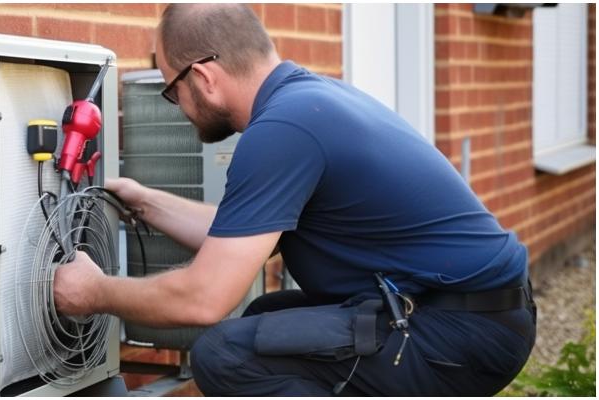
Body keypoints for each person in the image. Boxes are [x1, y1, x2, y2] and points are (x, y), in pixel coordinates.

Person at [53, 3, 535, 396]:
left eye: (171, 91)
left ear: (203, 77)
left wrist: (92, 292)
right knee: (269, 316)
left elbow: (205, 298)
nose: (177, 107)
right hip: (471, 313)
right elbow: (239, 235)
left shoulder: (283, 130)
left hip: (460, 332)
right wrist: (144, 200)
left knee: (225, 355)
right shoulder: (307, 101)